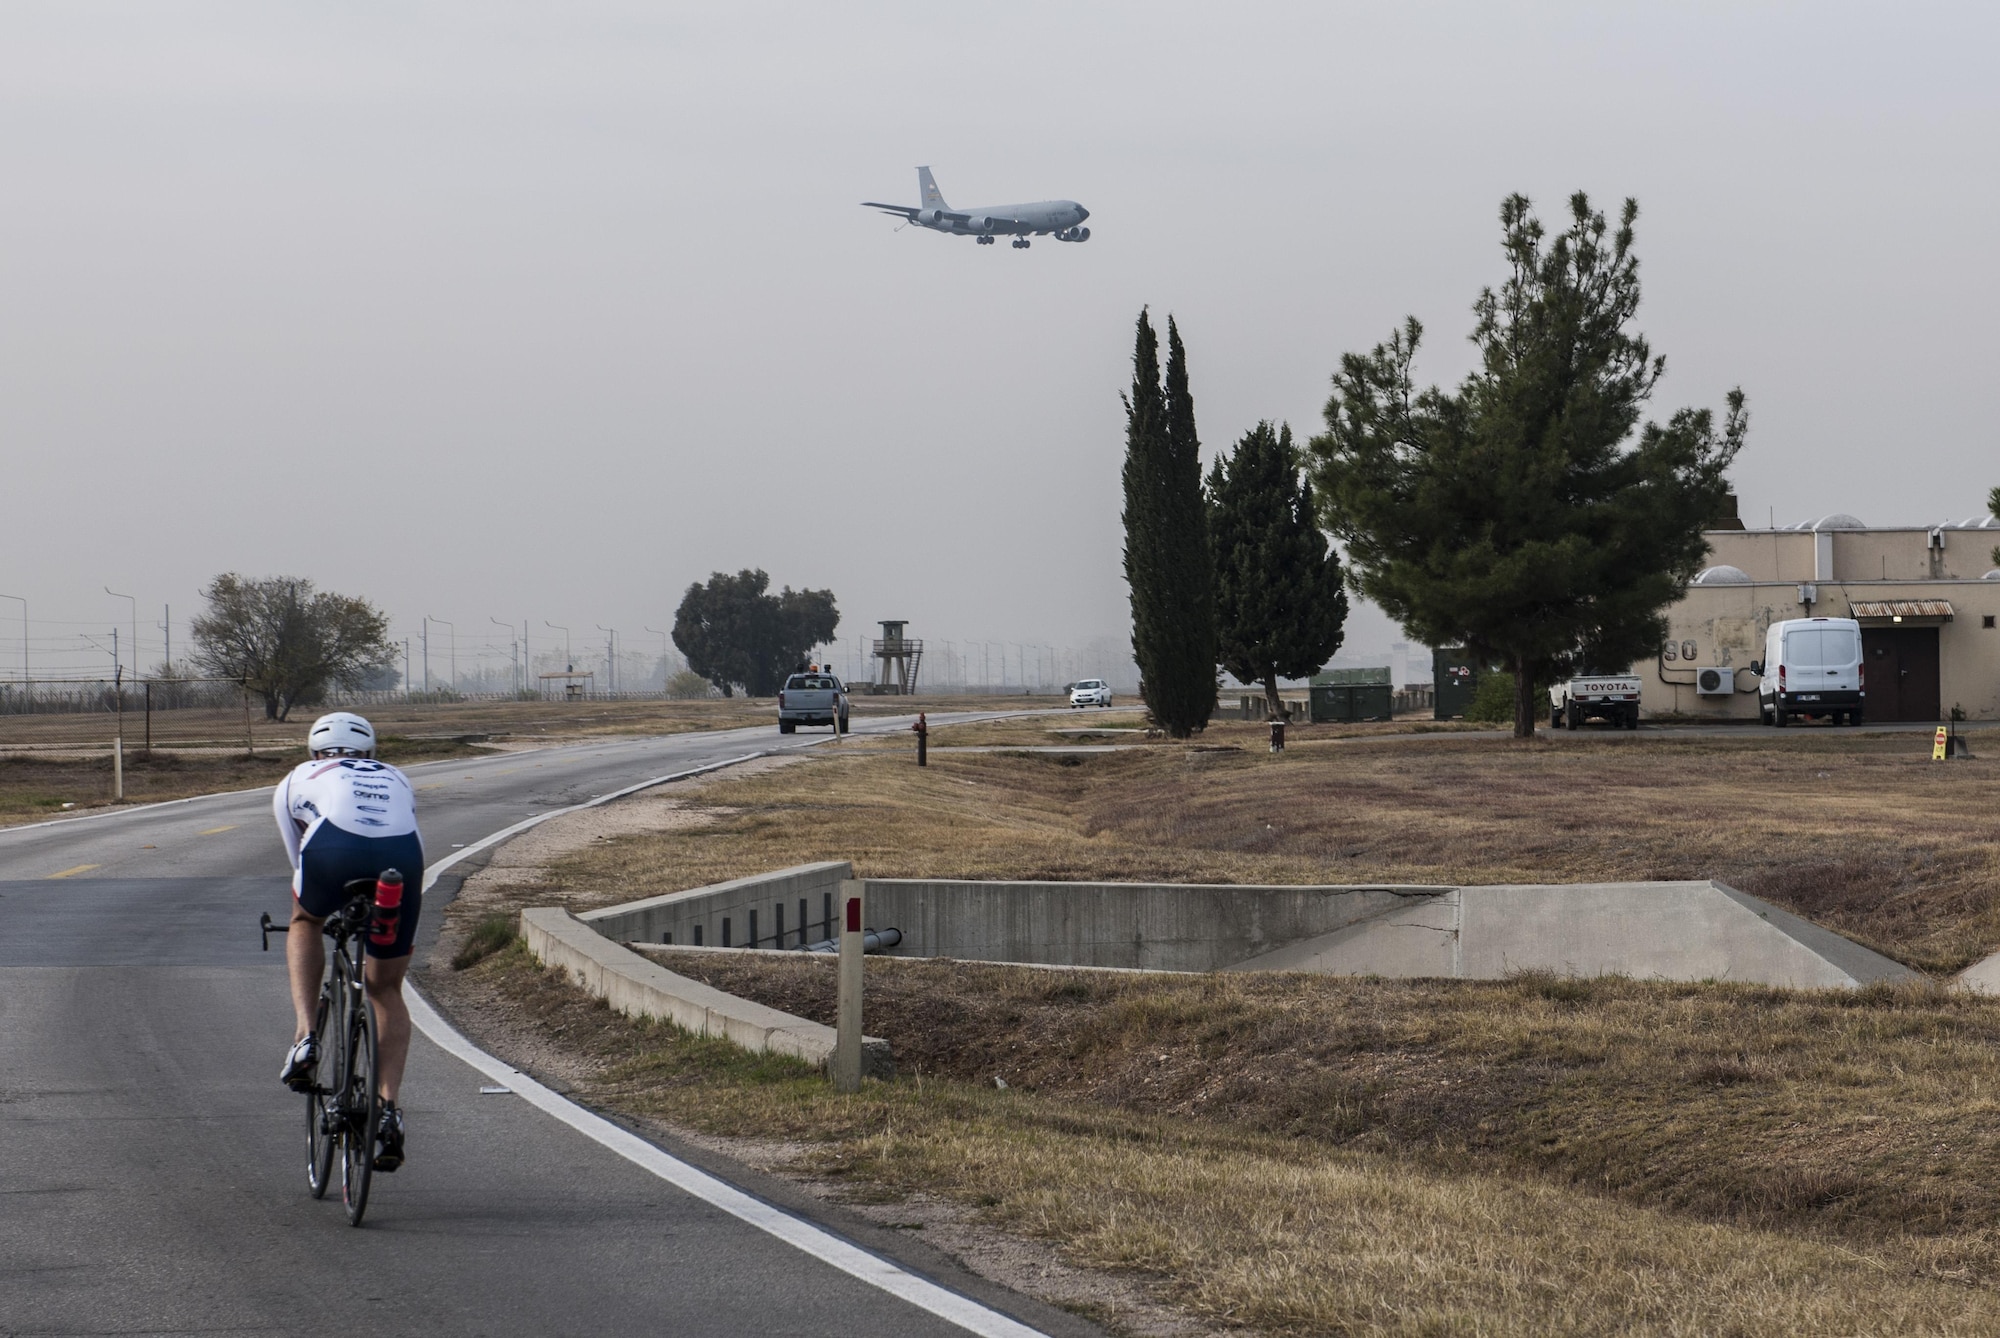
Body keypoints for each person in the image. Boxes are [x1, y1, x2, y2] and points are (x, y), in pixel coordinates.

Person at [273, 711, 424, 1172]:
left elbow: (298, 857)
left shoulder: (296, 778)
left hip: (333, 850)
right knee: (384, 988)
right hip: (401, 859)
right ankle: (389, 1110)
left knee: (305, 920)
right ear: (370, 753)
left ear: (314, 752)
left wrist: (322, 903)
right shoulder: (397, 775)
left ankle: (306, 1036)